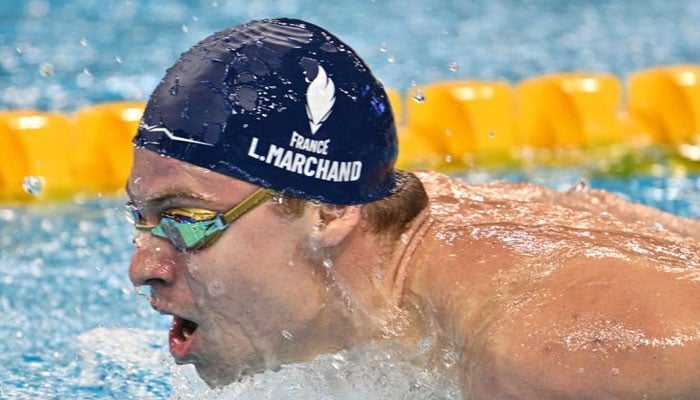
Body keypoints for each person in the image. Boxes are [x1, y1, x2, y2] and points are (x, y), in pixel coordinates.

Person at [126, 18, 700, 399]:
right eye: (142, 219)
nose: (143, 267)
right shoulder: (404, 222)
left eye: (187, 219)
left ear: (327, 213)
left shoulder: (545, 357)